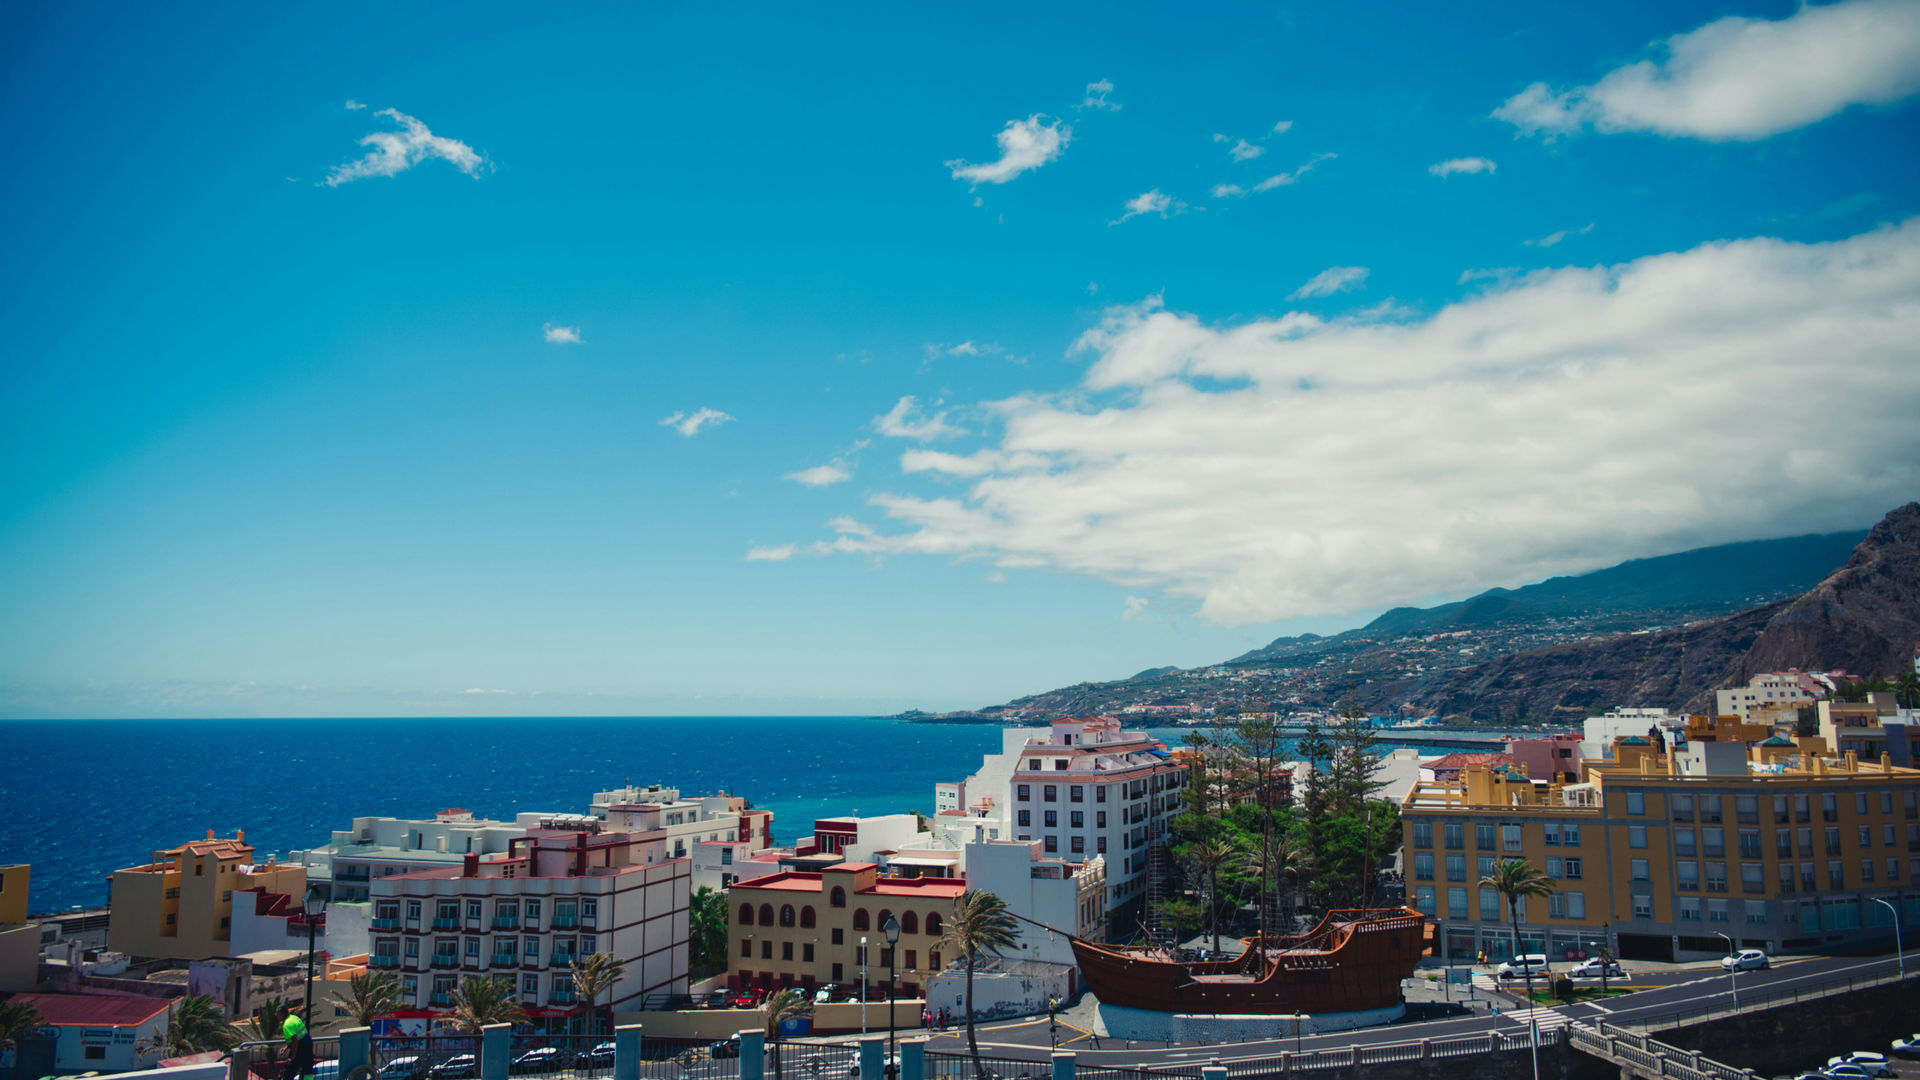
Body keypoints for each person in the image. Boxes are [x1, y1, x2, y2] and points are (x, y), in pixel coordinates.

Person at [283, 1007, 314, 1080]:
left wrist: (293, 1057)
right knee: (307, 1069)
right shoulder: (294, 1018)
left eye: (277, 1014)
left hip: (300, 1047)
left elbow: (294, 1039)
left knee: (289, 1070)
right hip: (308, 1044)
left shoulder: (287, 1024)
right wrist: (287, 1047)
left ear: (281, 1014)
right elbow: (298, 1035)